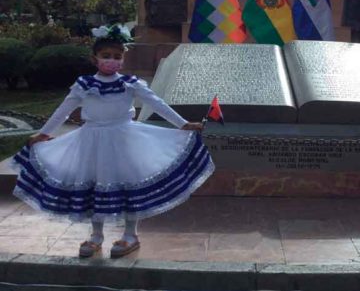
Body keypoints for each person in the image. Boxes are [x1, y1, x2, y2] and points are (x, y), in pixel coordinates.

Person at [11, 24, 214, 258]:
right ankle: (96, 236)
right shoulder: (84, 85)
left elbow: (156, 103)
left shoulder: (130, 83)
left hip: (124, 138)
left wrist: (182, 124)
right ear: (94, 58)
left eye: (117, 56)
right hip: (91, 140)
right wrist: (45, 133)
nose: (112, 60)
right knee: (93, 185)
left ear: (123, 59)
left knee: (129, 184)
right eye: (106, 56)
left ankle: (130, 234)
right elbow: (62, 111)